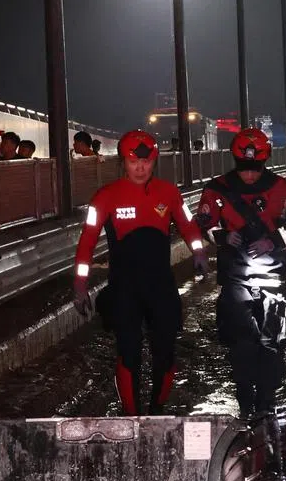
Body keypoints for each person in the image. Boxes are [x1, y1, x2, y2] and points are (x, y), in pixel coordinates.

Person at [72, 129, 208, 415]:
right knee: (129, 353)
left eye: (146, 162)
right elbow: (87, 240)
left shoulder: (168, 193)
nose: (140, 167)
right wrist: (80, 283)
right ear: (123, 161)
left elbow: (187, 224)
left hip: (161, 288)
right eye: (134, 161)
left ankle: (157, 411)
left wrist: (198, 251)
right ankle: (131, 417)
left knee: (165, 352)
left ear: (154, 161)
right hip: (125, 289)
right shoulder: (105, 197)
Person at [190, 128, 286, 418]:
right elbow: (201, 224)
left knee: (272, 345)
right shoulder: (217, 190)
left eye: (255, 168)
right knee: (241, 346)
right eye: (244, 168)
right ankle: (246, 405)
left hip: (274, 279)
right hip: (235, 278)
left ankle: (266, 403)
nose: (250, 175)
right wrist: (222, 236)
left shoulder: (284, 188)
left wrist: (273, 240)